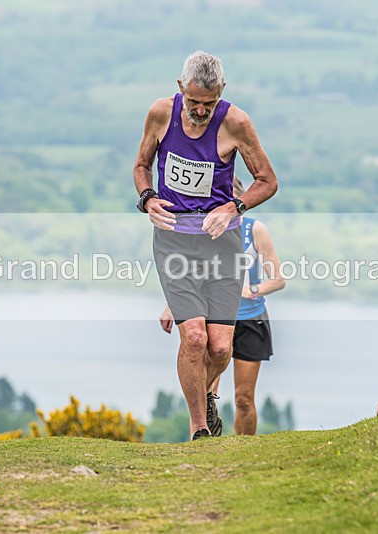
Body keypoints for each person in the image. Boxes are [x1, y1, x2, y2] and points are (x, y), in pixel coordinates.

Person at [133, 51, 278, 440]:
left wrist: (235, 206)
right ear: (181, 88)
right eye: (194, 102)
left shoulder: (236, 122)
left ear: (222, 94)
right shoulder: (161, 114)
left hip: (221, 244)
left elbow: (267, 180)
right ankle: (200, 429)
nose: (200, 111)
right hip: (174, 240)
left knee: (219, 349)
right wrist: (147, 198)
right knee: (194, 337)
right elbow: (141, 164)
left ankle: (205, 394)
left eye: (208, 104)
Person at [160, 176, 285, 436]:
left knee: (243, 398)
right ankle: (202, 442)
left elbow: (278, 280)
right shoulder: (204, 229)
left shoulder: (254, 230)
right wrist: (171, 305)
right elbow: (189, 276)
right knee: (205, 392)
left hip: (250, 319)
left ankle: (242, 449)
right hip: (213, 317)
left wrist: (250, 290)